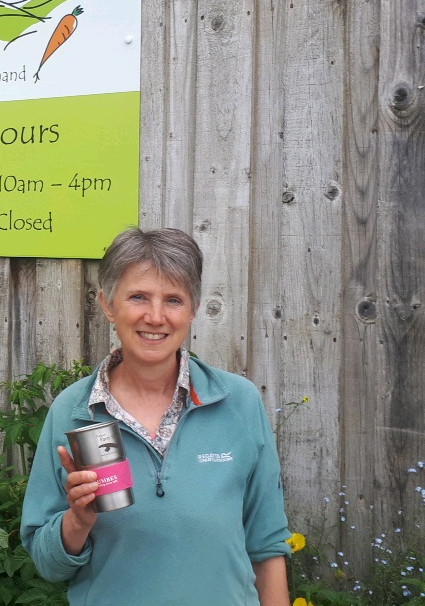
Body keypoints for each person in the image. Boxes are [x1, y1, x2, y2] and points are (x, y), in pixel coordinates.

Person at [21, 227, 291, 605]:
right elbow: (48, 565)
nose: (156, 316)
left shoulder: (239, 403)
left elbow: (267, 543)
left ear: (193, 309)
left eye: (174, 300)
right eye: (138, 297)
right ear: (108, 304)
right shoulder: (74, 412)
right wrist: (77, 522)